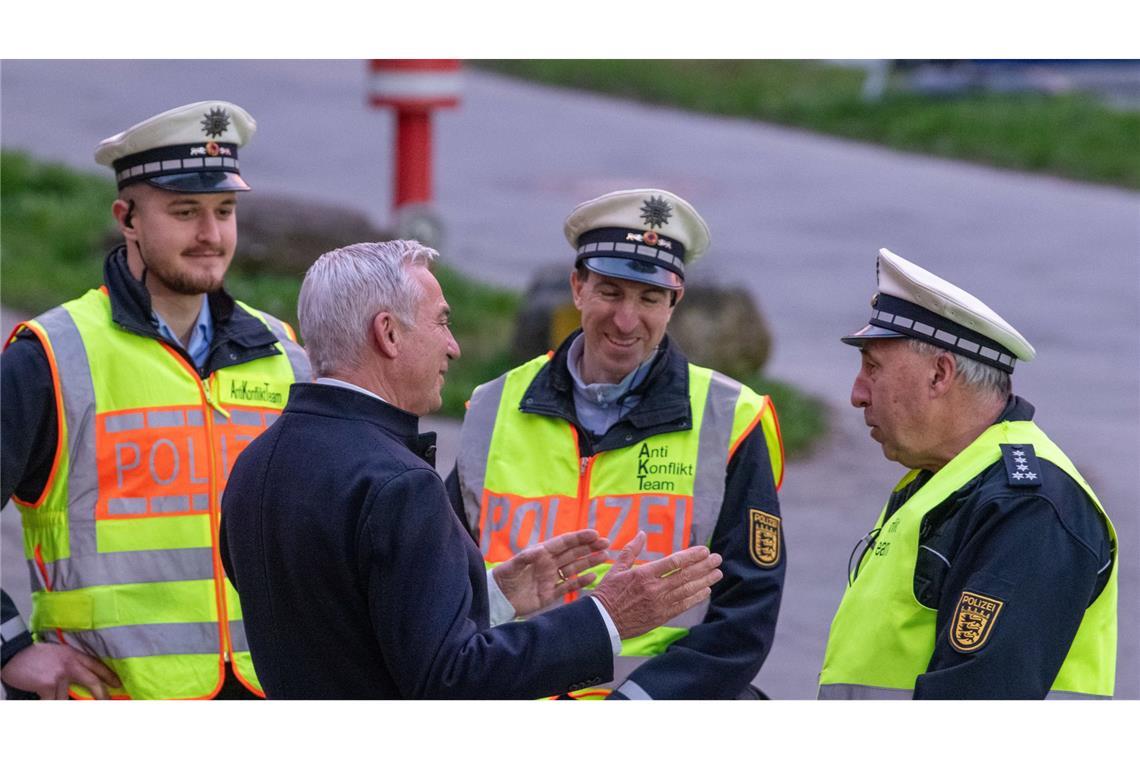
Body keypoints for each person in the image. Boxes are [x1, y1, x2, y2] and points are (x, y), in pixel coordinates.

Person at [218, 240, 723, 699]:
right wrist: (606, 616)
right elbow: (453, 681)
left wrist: (493, 598)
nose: (453, 346)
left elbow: (354, 631)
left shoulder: (254, 466)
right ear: (388, 334)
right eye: (441, 321)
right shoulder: (399, 485)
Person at [0, 101, 311, 700]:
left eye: (224, 211)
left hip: (262, 695)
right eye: (184, 212)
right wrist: (10, 648)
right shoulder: (51, 356)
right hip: (112, 699)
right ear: (128, 218)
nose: (211, 235)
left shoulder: (283, 352)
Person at [446, 188, 786, 699]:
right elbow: (449, 585)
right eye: (610, 292)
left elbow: (746, 616)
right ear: (577, 287)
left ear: (675, 302)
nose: (626, 321)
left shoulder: (732, 419)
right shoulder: (492, 407)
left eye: (649, 298)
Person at [818, 248, 1117, 699]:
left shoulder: (1027, 506)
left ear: (940, 375)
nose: (857, 395)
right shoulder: (945, 480)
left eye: (873, 368)